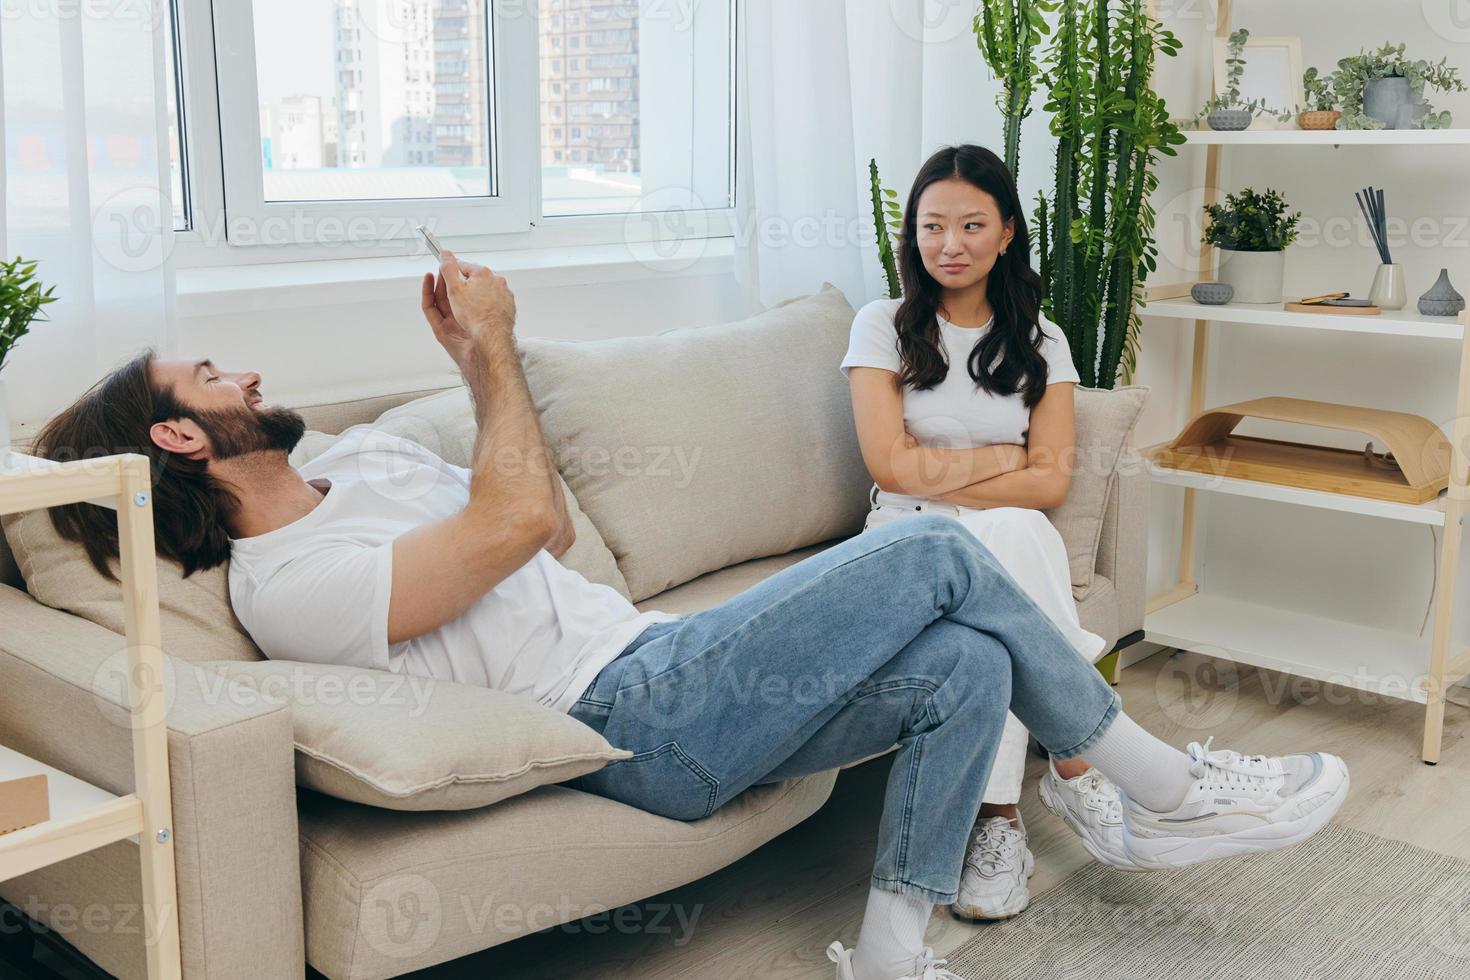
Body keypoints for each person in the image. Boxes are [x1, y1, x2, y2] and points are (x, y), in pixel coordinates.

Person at [31, 250, 1350, 980]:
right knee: (939, 554)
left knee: (960, 660)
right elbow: (499, 530)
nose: (246, 369)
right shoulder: (285, 579)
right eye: (213, 373)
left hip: (669, 659)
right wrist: (492, 356)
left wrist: (477, 380)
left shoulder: (364, 461)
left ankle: (891, 950)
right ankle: (1153, 783)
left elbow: (537, 521)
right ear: (179, 435)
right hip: (633, 721)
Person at [844, 143, 1124, 922]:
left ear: (1006, 233)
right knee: (1014, 528)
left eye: (972, 225)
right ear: (912, 234)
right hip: (905, 542)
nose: (951, 245)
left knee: (1013, 532)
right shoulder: (882, 328)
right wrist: (1002, 455)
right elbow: (888, 469)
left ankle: (997, 823)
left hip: (999, 536)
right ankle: (1073, 766)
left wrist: (943, 466)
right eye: (933, 226)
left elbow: (1052, 480)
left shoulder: (1043, 341)